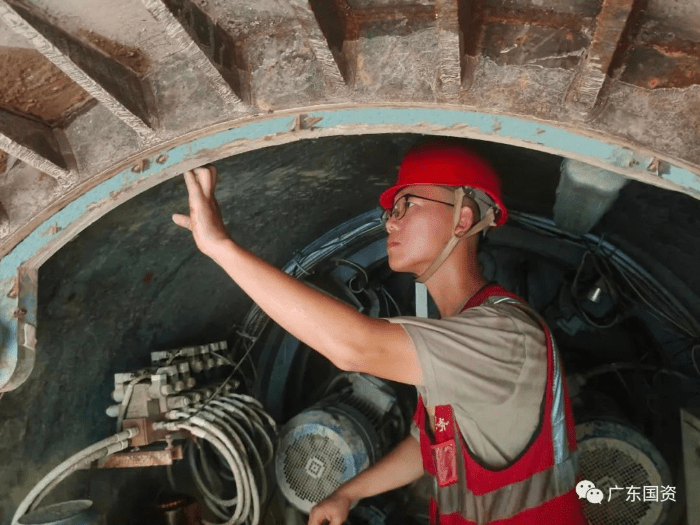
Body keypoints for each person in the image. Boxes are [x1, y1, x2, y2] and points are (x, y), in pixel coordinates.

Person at [172, 142, 587, 525]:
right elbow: (429, 447)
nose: (390, 223)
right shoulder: (458, 337)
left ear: (463, 218)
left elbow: (355, 348)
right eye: (392, 211)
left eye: (406, 205)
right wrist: (348, 494)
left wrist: (220, 246)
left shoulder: (506, 336)